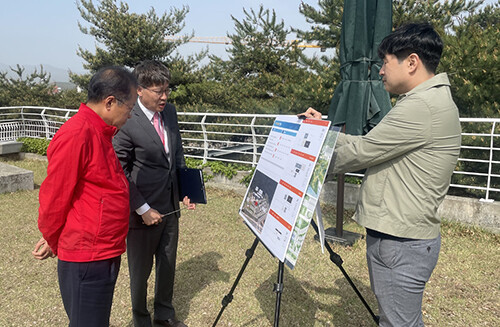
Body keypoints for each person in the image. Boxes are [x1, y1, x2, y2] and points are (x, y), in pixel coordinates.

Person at [301, 23, 461, 326]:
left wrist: (312, 138)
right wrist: (323, 127)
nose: (380, 71)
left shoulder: (422, 107)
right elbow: (377, 147)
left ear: (411, 62)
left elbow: (361, 151)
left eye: (385, 62)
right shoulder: (429, 101)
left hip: (400, 241)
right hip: (404, 237)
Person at [33, 66, 138, 326]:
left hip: (103, 249)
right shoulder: (78, 134)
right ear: (110, 102)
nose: (131, 114)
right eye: (130, 107)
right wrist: (52, 237)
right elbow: (54, 197)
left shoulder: (99, 132)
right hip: (87, 254)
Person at [113, 60, 195, 327]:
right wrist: (142, 208)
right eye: (158, 91)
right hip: (142, 213)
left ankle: (164, 313)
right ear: (139, 89)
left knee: (168, 263)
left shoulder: (169, 112)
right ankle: (141, 319)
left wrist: (185, 190)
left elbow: (177, 153)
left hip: (170, 205)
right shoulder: (127, 119)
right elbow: (118, 170)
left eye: (167, 90)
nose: (164, 97)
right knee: (140, 271)